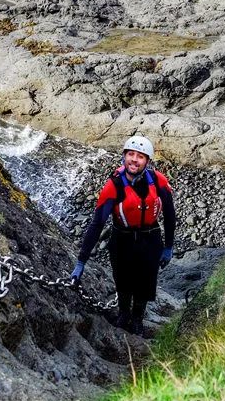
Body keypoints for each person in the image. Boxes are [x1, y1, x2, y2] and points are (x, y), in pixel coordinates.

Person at [70, 134, 176, 335]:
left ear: (147, 161)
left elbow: (170, 215)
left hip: (150, 237)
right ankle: (124, 313)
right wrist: (81, 261)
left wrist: (168, 247)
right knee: (123, 280)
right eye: (130, 154)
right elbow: (97, 223)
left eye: (140, 156)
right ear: (124, 157)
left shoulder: (157, 180)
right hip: (122, 238)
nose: (134, 159)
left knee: (146, 281)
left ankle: (137, 318)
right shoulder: (114, 185)